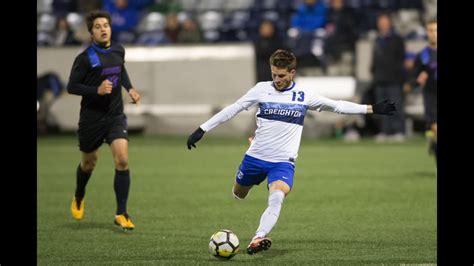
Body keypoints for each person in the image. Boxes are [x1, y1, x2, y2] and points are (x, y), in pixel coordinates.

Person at [186, 49, 395, 254]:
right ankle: (252, 150)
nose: (277, 79)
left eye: (282, 75)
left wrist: (371, 108)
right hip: (255, 158)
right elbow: (234, 108)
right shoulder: (261, 89)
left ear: (292, 73)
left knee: (277, 196)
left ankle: (258, 237)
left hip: (282, 162)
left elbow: (337, 106)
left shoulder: (303, 96)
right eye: (274, 74)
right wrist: (202, 129)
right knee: (239, 194)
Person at [67, 11, 141, 230]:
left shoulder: (119, 49)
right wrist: (96, 90)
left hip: (115, 116)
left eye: (106, 25)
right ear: (91, 33)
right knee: (88, 163)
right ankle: (79, 195)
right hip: (91, 119)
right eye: (98, 26)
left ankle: (121, 213)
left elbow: (121, 69)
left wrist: (130, 88)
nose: (103, 29)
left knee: (122, 160)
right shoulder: (85, 58)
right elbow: (71, 86)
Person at [370, 12, 406, 142]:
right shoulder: (377, 39)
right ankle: (384, 131)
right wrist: (373, 72)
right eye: (381, 22)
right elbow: (374, 59)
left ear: (390, 23)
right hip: (380, 79)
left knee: (395, 105)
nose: (382, 25)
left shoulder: (397, 39)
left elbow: (401, 59)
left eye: (385, 22)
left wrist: (399, 75)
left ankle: (399, 131)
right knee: (382, 108)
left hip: (394, 79)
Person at [412, 19, 437, 165]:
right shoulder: (423, 55)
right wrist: (418, 79)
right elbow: (413, 78)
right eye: (431, 30)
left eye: (436, 30)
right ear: (427, 33)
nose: (433, 34)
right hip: (431, 97)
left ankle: (433, 143)